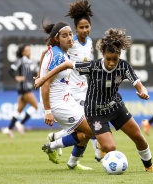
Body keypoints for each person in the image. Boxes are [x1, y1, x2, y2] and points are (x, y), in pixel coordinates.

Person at [35, 28, 153, 172]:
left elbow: (139, 84)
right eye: (108, 59)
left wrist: (143, 92)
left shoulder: (123, 66)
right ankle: (69, 154)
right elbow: (66, 65)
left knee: (138, 137)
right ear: (103, 55)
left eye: (115, 59)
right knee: (110, 147)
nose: (111, 63)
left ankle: (149, 167)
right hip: (95, 112)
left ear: (119, 56)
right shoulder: (93, 66)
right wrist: (43, 78)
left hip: (116, 107)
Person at [45, 0, 104, 162]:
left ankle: (57, 141)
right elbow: (50, 53)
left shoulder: (90, 42)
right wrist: (42, 73)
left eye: (87, 27)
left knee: (86, 127)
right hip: (70, 92)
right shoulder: (71, 42)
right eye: (81, 27)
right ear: (75, 29)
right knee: (90, 126)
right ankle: (100, 155)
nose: (84, 30)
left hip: (85, 91)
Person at [39, 19, 94, 170]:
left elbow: (44, 54)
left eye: (70, 34)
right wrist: (48, 111)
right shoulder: (58, 56)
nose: (70, 38)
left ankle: (71, 163)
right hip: (57, 104)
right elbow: (46, 84)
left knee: (87, 130)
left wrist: (39, 74)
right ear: (57, 38)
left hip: (67, 99)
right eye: (65, 36)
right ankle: (52, 146)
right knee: (90, 130)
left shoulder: (61, 52)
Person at [1, 44, 39, 138]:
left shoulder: (33, 62)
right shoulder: (20, 61)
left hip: (28, 86)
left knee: (19, 110)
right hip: (23, 87)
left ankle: (8, 129)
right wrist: (16, 77)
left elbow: (37, 73)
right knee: (35, 106)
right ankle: (20, 124)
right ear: (23, 52)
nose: (29, 51)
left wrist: (39, 77)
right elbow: (11, 70)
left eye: (29, 49)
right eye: (27, 50)